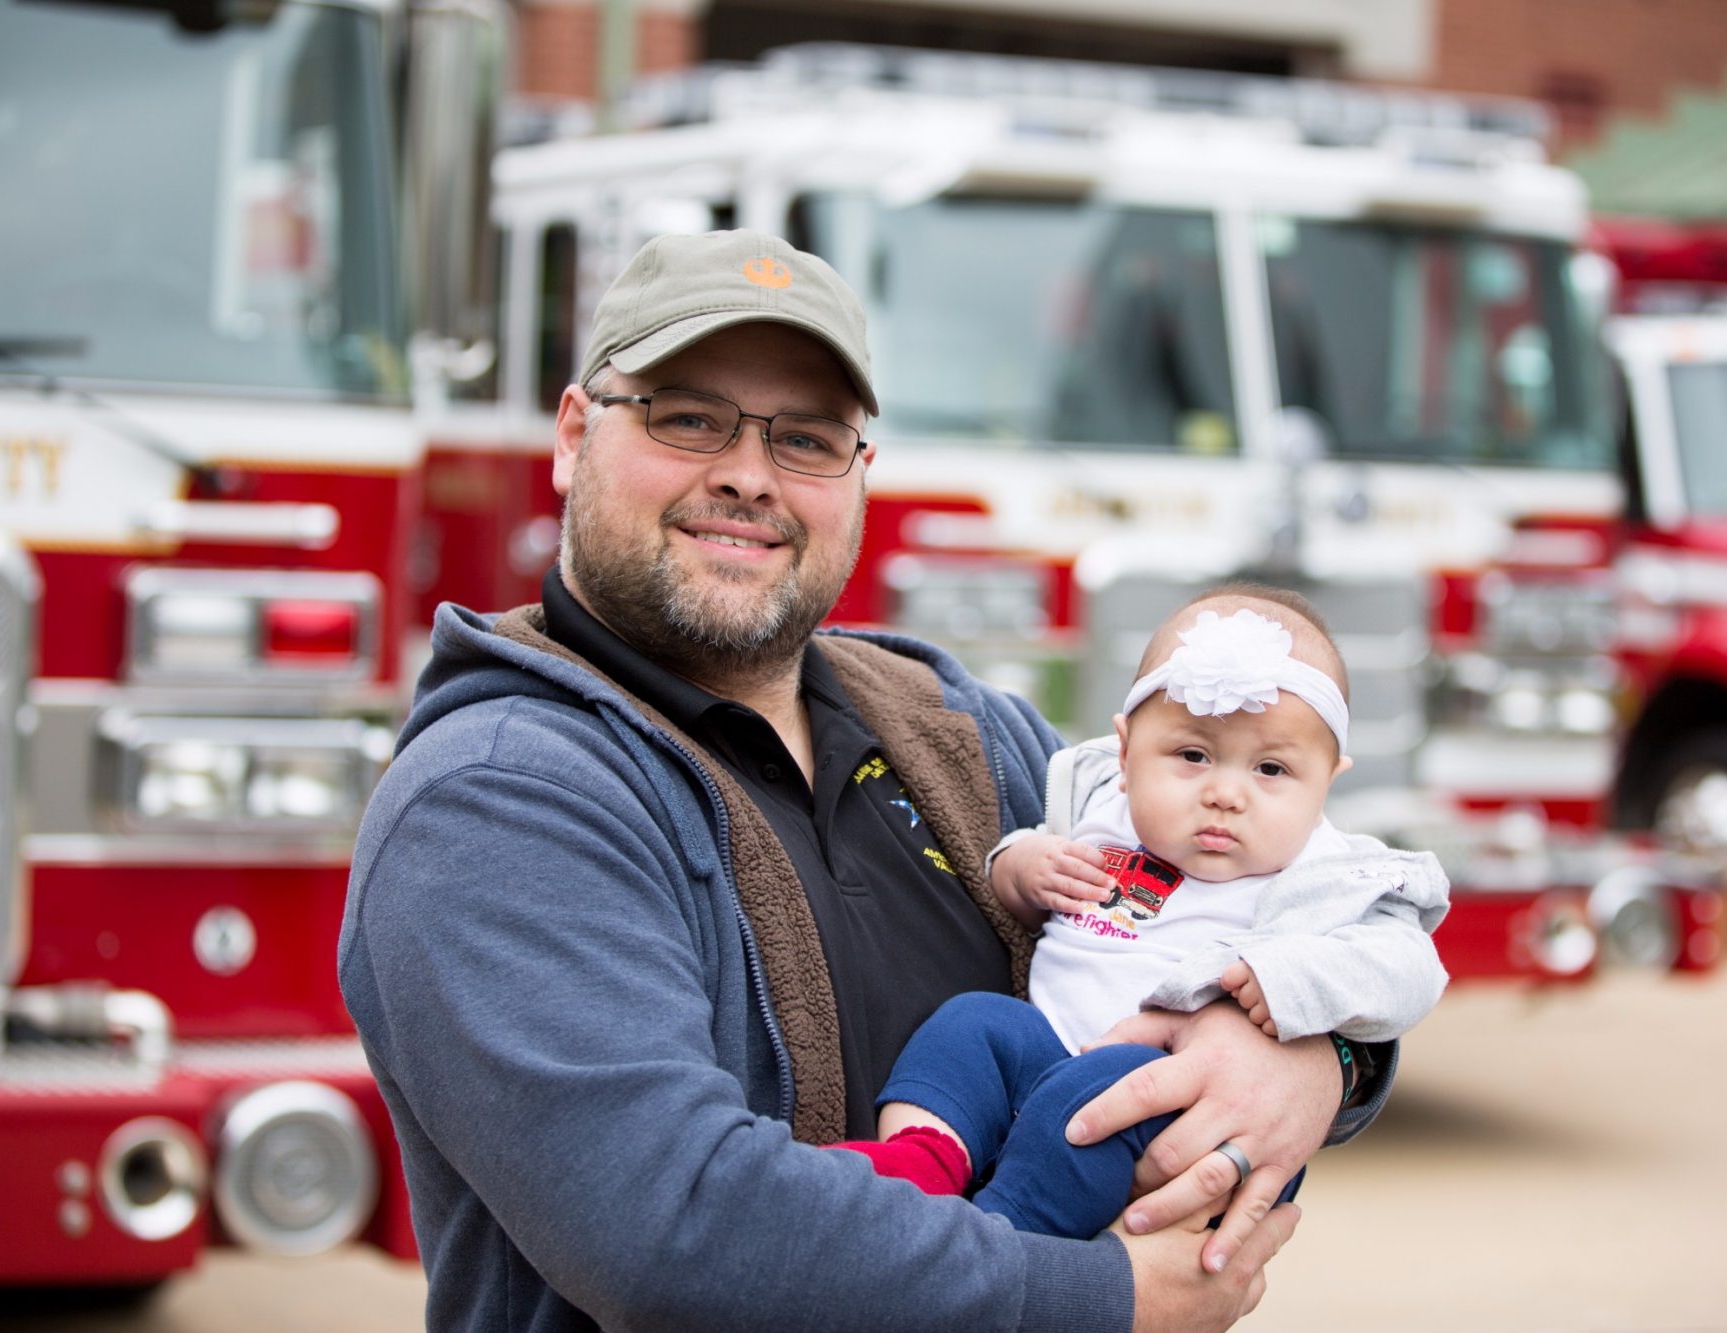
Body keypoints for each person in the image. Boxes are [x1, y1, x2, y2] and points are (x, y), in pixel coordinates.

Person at [339, 229, 1399, 1331]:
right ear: (573, 435)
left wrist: (1325, 1056)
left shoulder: (964, 731)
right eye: (687, 417)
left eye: (805, 438)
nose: (748, 475)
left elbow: (1267, 897)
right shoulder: (497, 800)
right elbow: (675, 1229)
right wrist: (1101, 1299)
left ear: (858, 475)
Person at [829, 589, 1449, 1239]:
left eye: (1271, 768)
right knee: (973, 1024)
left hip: (1179, 1100)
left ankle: (1003, 1230)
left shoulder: (1330, 874)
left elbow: (1411, 970)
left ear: (1327, 780)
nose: (1225, 793)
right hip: (1048, 1046)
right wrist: (1021, 866)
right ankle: (922, 1160)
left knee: (1098, 1093)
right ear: (1125, 753)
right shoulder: (1099, 804)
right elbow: (1017, 874)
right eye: (1193, 756)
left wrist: (1290, 981)